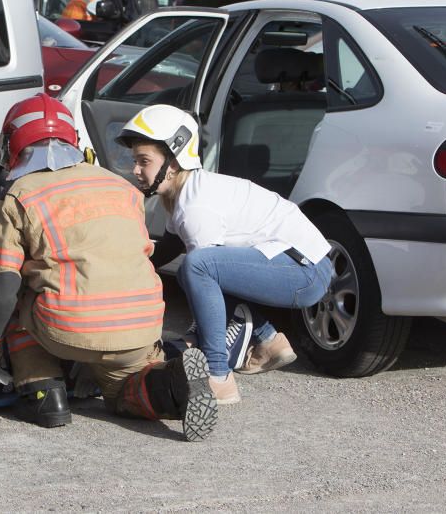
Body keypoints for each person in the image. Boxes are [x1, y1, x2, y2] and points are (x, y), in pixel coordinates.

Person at [0, 94, 218, 442]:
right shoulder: (121, 186)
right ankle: (170, 388)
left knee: (19, 299)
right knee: (123, 391)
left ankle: (44, 394)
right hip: (140, 325)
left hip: (67, 328)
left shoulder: (18, 195)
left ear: (12, 144)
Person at [116, 105, 333, 405]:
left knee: (197, 267)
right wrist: (120, 267)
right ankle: (270, 342)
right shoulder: (186, 193)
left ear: (174, 161)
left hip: (307, 272)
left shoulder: (195, 207)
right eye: (135, 161)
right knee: (191, 268)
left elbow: (204, 273)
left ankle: (218, 376)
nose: (136, 170)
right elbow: (168, 247)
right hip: (299, 264)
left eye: (144, 161)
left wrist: (200, 334)